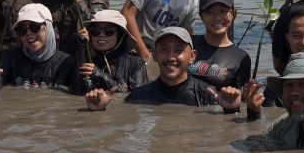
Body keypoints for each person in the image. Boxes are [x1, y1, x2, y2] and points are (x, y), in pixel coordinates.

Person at [84, 26, 243, 113]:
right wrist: (99, 111)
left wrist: (231, 109)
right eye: (164, 50)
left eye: (178, 50)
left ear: (192, 56)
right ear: (153, 55)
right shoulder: (138, 96)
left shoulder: (208, 95)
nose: (171, 57)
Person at [0, 3, 79, 92]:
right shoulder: (10, 58)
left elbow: (78, 92)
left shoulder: (66, 63)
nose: (29, 33)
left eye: (35, 27)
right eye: (22, 30)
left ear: (49, 27)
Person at [188, 0, 252, 92]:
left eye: (223, 11)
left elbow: (241, 98)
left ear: (233, 14)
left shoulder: (241, 58)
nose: (217, 17)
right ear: (201, 17)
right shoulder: (189, 44)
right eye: (210, 12)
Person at [74, 9, 149, 95]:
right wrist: (81, 47)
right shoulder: (87, 60)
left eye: (109, 30)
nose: (101, 35)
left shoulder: (136, 63)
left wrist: (99, 74)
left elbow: (137, 99)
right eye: (95, 30)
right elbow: (76, 92)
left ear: (120, 35)